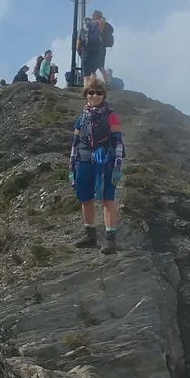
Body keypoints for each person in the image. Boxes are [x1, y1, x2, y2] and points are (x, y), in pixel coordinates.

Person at [67, 77, 125, 254]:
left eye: (98, 93)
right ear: (86, 94)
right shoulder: (82, 117)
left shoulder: (110, 116)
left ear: (103, 95)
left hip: (105, 163)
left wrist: (117, 166)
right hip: (84, 162)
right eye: (91, 92)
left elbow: (118, 142)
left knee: (108, 198)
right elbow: (75, 144)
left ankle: (110, 239)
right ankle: (90, 235)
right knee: (86, 198)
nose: (94, 96)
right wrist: (71, 167)